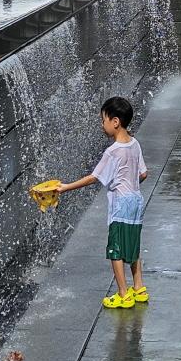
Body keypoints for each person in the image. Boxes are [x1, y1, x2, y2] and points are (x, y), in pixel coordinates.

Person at [55, 97, 149, 309]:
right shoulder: (135, 144)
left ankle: (123, 294)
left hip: (121, 203)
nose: (102, 125)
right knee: (133, 244)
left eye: (103, 120)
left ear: (115, 121)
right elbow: (143, 173)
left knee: (115, 249)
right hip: (136, 201)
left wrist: (65, 187)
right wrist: (130, 182)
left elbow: (94, 177)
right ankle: (139, 288)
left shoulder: (113, 151)